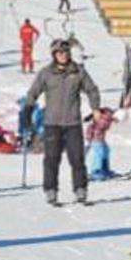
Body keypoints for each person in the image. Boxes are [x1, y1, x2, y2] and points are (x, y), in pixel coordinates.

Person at [24, 39, 101, 205]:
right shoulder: (46, 73)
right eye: (59, 53)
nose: (63, 55)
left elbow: (92, 89)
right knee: (52, 159)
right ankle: (51, 190)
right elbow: (33, 92)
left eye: (65, 52)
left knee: (77, 159)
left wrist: (95, 108)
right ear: (54, 55)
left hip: (72, 122)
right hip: (52, 123)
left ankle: (80, 190)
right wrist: (28, 109)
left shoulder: (78, 71)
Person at [86, 108, 117, 180]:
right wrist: (89, 138)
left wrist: (112, 119)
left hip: (100, 139)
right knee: (99, 153)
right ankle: (95, 171)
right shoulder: (102, 119)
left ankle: (104, 169)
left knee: (106, 150)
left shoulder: (106, 118)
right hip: (95, 139)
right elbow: (100, 125)